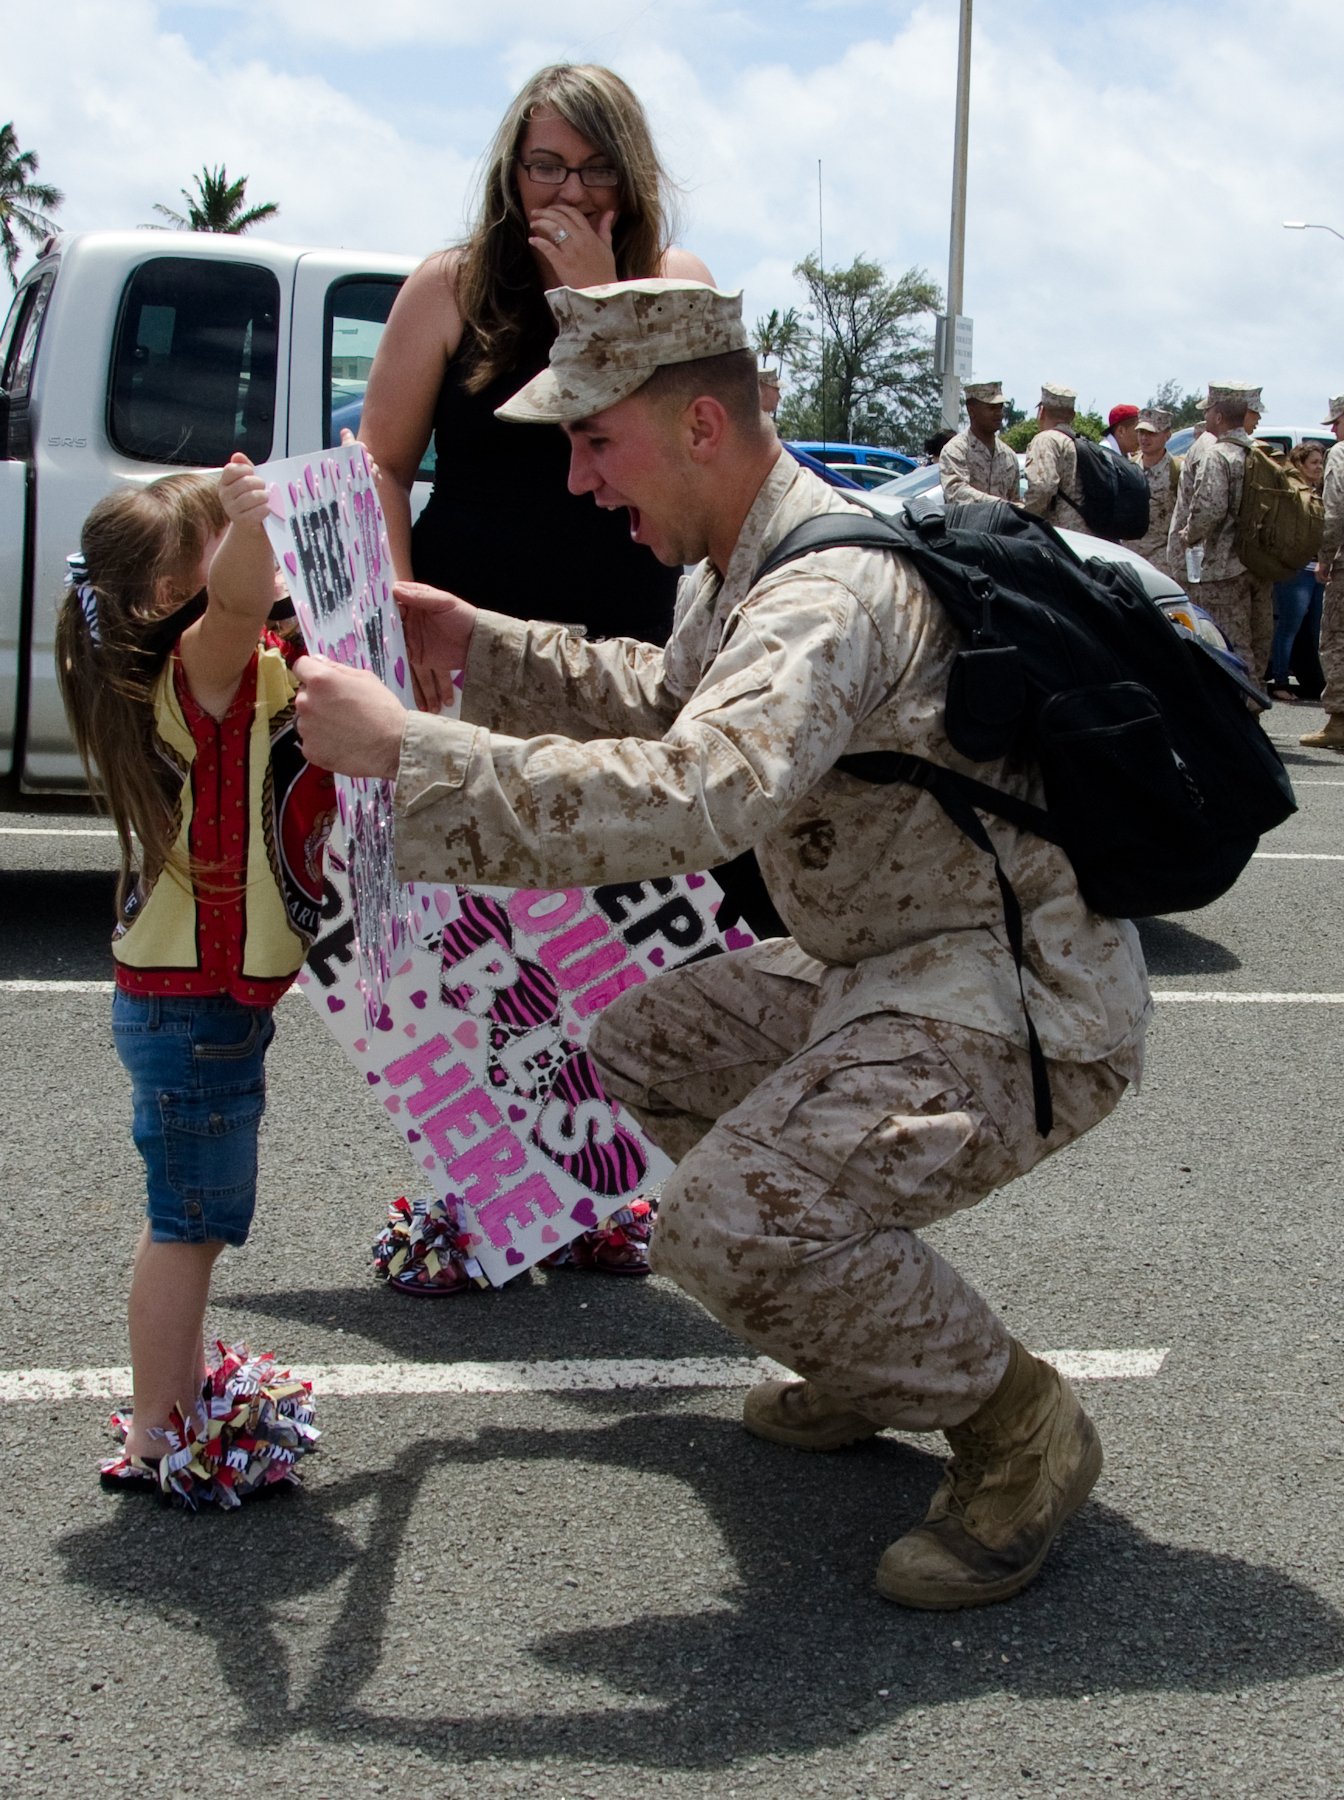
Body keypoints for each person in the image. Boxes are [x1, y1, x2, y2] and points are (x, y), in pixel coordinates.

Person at [293, 278, 1150, 1610]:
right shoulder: (741, 558)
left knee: (721, 1223)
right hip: (879, 959)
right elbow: (672, 694)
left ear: (699, 423)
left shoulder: (832, 591)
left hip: (1011, 997)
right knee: (642, 1049)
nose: (576, 482)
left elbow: (702, 789)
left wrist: (416, 757)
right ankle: (868, 1343)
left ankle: (1019, 1424)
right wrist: (482, 646)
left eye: (593, 442)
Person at [54, 459, 327, 1507]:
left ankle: (168, 1413)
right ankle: (167, 1432)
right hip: (192, 1004)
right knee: (187, 1225)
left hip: (193, 1002)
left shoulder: (206, 667)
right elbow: (240, 601)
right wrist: (256, 522)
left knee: (188, 1220)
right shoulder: (197, 675)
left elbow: (257, 606)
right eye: (214, 544)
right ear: (172, 599)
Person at [358, 61, 713, 644]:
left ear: (631, 178)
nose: (571, 190)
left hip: (622, 643)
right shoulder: (449, 287)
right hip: (459, 631)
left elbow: (692, 455)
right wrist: (401, 613)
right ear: (514, 174)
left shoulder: (675, 281)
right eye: (547, 167)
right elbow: (384, 470)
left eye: (598, 169)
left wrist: (602, 305)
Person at [1167, 383, 1271, 678]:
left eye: (1209, 410)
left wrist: (1188, 536)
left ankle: (1243, 708)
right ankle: (1255, 699)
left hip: (1220, 568)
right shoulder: (1258, 452)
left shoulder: (1218, 454)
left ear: (1219, 416)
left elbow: (1209, 508)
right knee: (1255, 638)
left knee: (1227, 641)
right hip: (1255, 561)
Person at [1300, 394, 1344, 751]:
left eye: (1337, 421)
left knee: (1335, 640)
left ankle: (1339, 721)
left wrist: (1325, 559)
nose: (1333, 429)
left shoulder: (1340, 456)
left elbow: (1334, 513)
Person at [1267, 439, 1326, 703]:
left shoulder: (1321, 491)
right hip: (1297, 570)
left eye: (1321, 462)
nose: (1319, 467)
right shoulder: (1291, 493)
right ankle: (1279, 681)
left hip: (1319, 569)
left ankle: (1316, 682)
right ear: (1300, 464)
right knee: (1288, 627)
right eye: (1313, 462)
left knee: (1316, 629)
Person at [1121, 406, 1180, 583]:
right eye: (1141, 432)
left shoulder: (1177, 471)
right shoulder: (1128, 468)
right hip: (1129, 557)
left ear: (1167, 435)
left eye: (1151, 433)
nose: (1144, 439)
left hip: (1162, 562)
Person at [1022, 383, 1091, 532]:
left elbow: (1043, 488)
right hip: (1086, 534)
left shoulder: (1045, 440)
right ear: (1073, 415)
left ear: (1042, 411)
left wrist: (1020, 518)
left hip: (1060, 535)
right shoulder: (1080, 443)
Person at [937, 379, 1019, 504]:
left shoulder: (1009, 456)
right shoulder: (956, 450)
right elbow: (956, 492)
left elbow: (1014, 500)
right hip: (965, 523)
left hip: (1001, 524)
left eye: (1000, 407)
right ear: (972, 411)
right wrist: (1000, 505)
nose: (999, 414)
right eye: (992, 408)